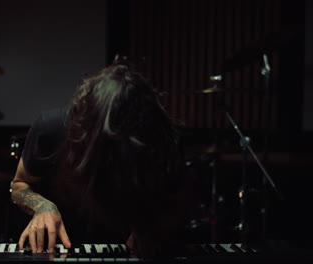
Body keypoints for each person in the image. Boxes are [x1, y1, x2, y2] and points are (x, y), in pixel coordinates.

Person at [10, 57, 189, 258]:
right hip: (60, 248)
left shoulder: (165, 142)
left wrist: (150, 229)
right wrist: (43, 206)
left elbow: (173, 204)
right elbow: (19, 184)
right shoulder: (51, 129)